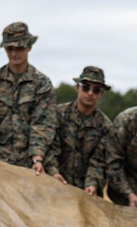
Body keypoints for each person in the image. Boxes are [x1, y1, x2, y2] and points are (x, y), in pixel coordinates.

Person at [0, 22, 57, 176]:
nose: (14, 53)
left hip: (28, 163)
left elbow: (42, 124)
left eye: (19, 48)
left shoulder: (41, 84)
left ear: (29, 47)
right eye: (10, 48)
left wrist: (37, 157)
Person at [43, 66, 112, 196]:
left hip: (86, 193)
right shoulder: (58, 114)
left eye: (96, 90)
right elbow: (50, 148)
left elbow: (99, 161)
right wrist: (53, 173)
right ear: (77, 88)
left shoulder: (105, 126)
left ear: (101, 94)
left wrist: (92, 184)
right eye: (86, 87)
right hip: (54, 185)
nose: (90, 93)